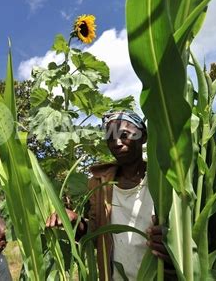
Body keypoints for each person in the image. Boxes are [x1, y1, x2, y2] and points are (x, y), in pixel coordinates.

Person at [46, 110, 173, 280]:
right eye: (110, 138)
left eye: (124, 134)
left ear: (143, 137)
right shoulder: (100, 184)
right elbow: (97, 235)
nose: (117, 143)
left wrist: (173, 244)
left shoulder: (164, 180)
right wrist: (75, 221)